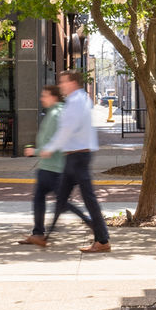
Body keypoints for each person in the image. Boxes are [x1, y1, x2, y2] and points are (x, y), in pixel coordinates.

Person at [19, 86, 90, 246]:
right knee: (41, 199)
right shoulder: (52, 112)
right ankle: (38, 233)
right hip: (47, 167)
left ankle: (91, 223)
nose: (41, 98)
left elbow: (58, 140)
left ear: (53, 97)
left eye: (44, 95)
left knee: (62, 202)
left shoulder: (57, 114)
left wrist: (35, 151)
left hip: (55, 168)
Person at [53, 69, 110, 253]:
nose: (60, 85)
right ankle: (42, 235)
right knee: (62, 199)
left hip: (77, 156)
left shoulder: (76, 101)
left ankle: (102, 239)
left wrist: (50, 148)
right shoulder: (80, 99)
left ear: (72, 82)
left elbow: (67, 129)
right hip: (75, 155)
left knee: (88, 199)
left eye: (63, 82)